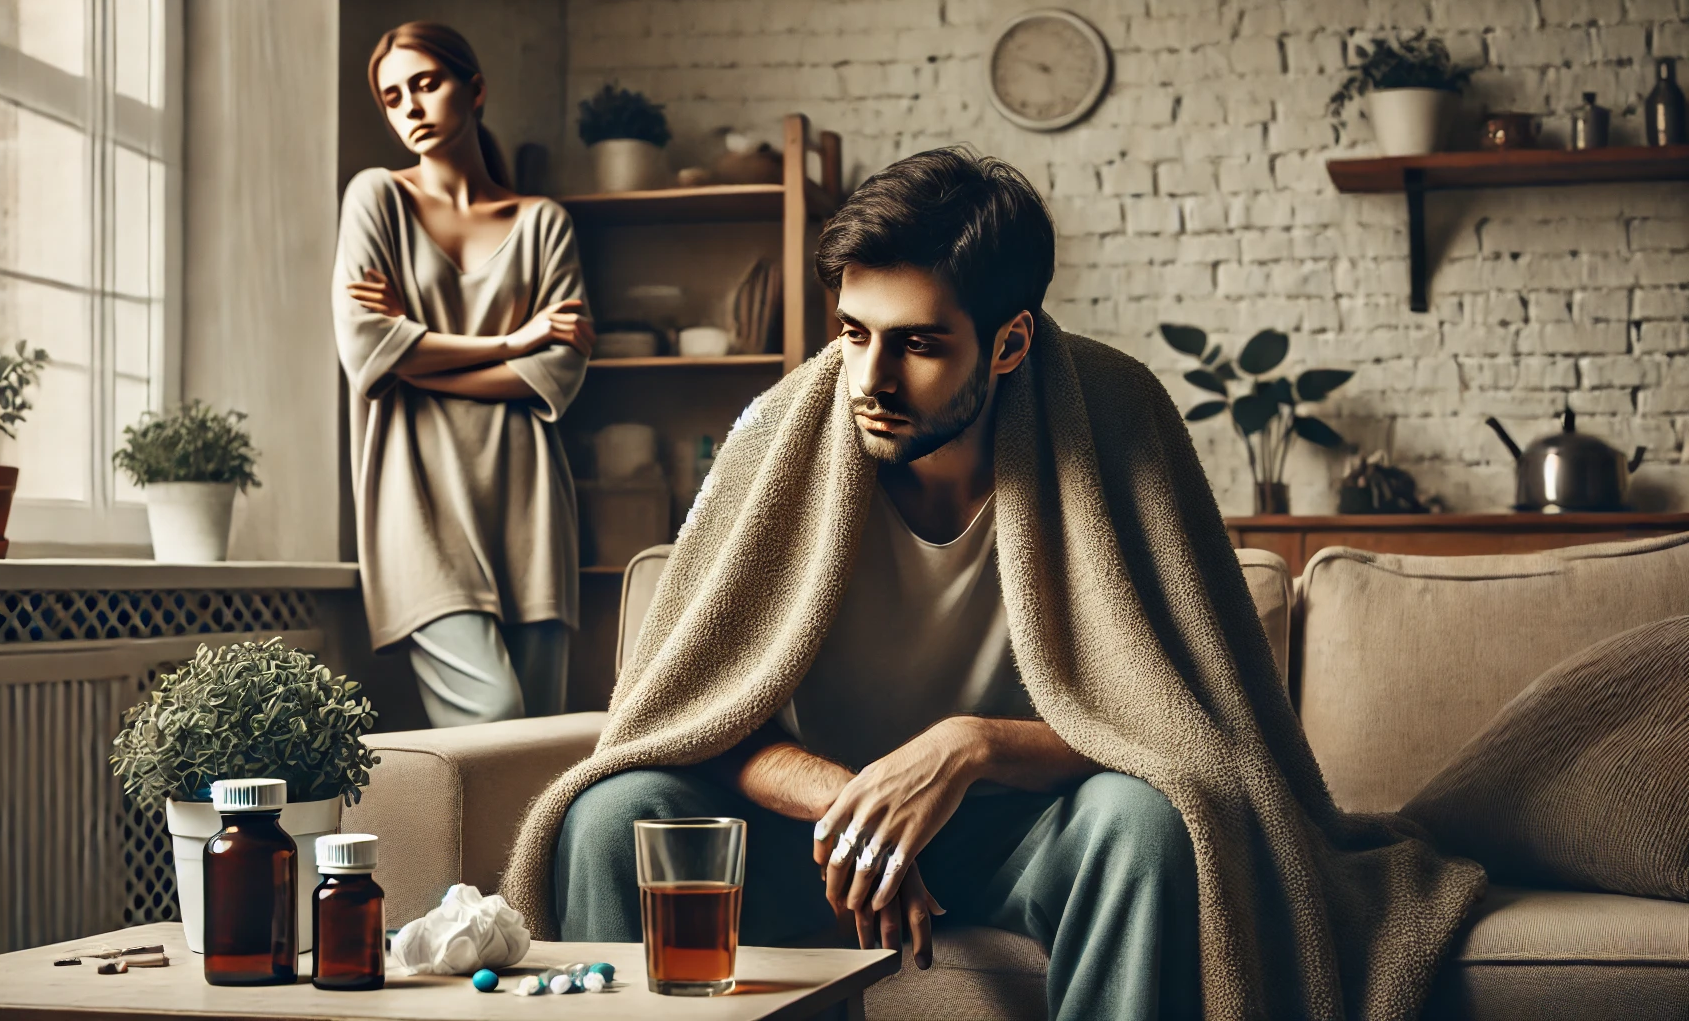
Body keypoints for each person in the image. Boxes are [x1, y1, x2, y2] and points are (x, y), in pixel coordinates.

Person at [502, 149, 1482, 1021]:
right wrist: (857, 809)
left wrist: (971, 748)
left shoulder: (1114, 419)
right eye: (853, 331)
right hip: (820, 840)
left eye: (919, 344)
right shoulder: (781, 433)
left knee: (1142, 828)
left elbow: (1184, 729)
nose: (869, 377)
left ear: (1006, 345)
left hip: (1024, 833)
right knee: (610, 815)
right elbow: (694, 710)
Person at [332, 21, 593, 727]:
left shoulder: (543, 223)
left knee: (538, 741)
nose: (410, 107)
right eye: (393, 97)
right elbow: (367, 352)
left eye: (426, 84)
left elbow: (558, 374)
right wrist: (514, 339)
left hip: (528, 500)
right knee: (493, 715)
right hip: (414, 501)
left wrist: (416, 359)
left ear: (474, 89)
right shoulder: (375, 199)